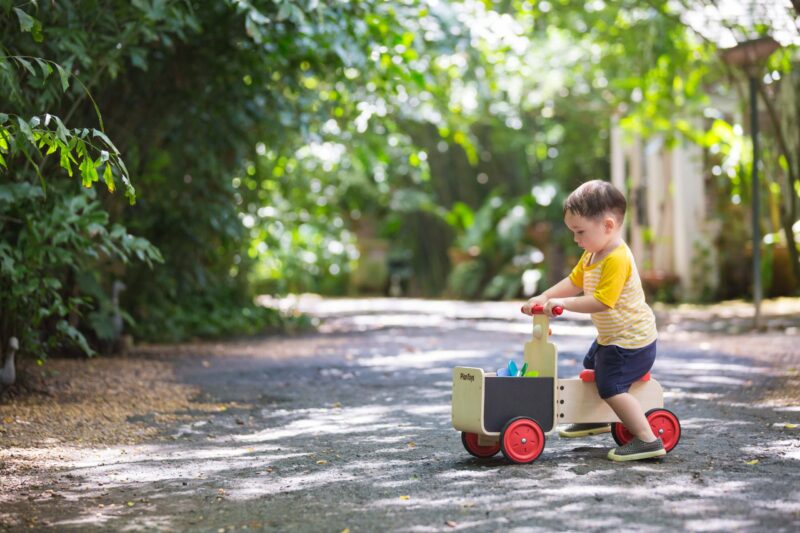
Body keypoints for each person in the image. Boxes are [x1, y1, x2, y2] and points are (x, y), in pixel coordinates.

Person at [522, 180, 664, 462]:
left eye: (580, 231)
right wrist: (544, 296)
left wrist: (563, 305)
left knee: (610, 385)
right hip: (612, 339)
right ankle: (595, 417)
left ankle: (647, 439)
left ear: (608, 225)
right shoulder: (591, 255)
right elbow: (574, 282)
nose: (576, 239)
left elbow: (601, 300)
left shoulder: (617, 259)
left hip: (632, 342)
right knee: (591, 366)